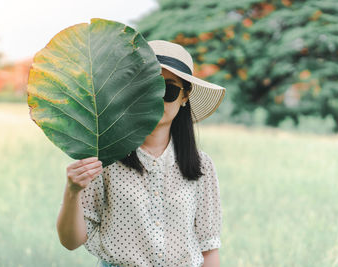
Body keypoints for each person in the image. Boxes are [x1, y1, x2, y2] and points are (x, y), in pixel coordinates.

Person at [56, 40, 226, 267]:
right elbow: (71, 241)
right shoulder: (105, 157)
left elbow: (209, 250)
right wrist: (73, 191)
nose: (156, 97)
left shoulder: (202, 165)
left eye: (169, 89)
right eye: (148, 87)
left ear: (185, 96)